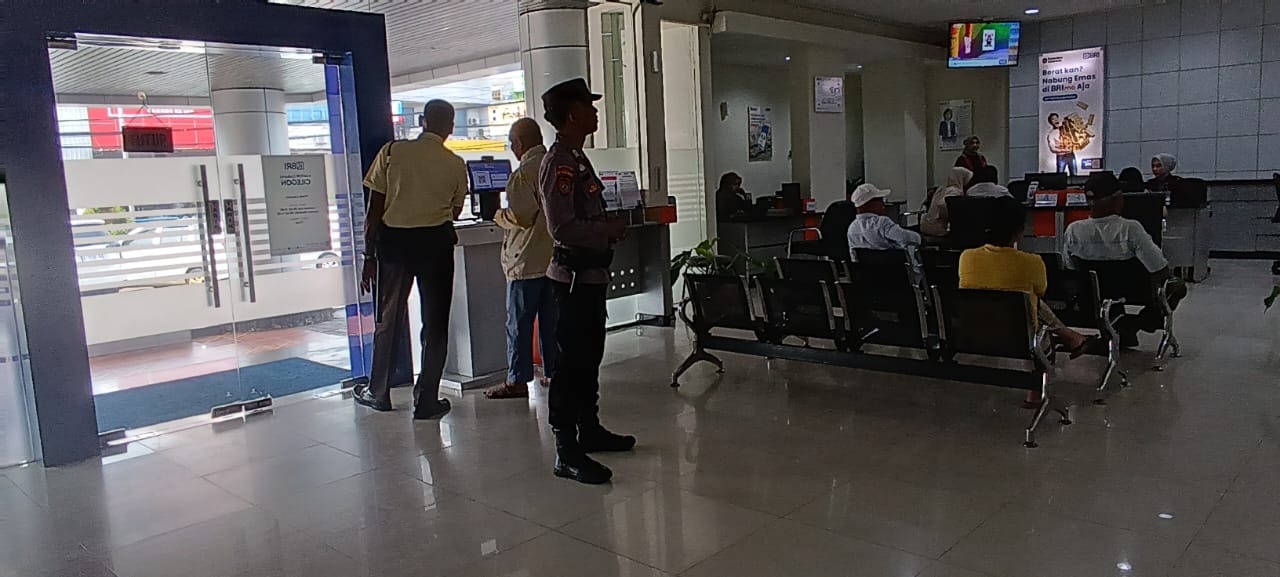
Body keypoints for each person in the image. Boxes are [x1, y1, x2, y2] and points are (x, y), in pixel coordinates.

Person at [539, 78, 634, 485]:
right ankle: (566, 449)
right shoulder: (559, 162)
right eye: (589, 107)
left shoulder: (577, 157)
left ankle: (589, 429)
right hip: (572, 280)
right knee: (570, 365)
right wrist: (606, 230)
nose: (595, 113)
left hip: (590, 276)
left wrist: (607, 229)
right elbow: (561, 227)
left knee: (590, 357)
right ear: (573, 113)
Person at [355, 100, 466, 419]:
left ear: (421, 121)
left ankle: (379, 392)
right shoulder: (455, 163)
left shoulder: (392, 152)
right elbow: (455, 210)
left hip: (395, 246)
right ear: (450, 127)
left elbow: (374, 211)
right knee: (435, 323)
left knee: (388, 320)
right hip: (436, 246)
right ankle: (426, 399)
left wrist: (369, 255)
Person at [958, 197, 1094, 358]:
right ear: (1020, 232)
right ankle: (1070, 336)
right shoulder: (1032, 262)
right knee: (1031, 299)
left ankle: (1071, 336)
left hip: (975, 339)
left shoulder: (966, 257)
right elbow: (1040, 293)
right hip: (1021, 342)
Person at [1064, 172, 1188, 347]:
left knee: (1108, 287)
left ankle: (1121, 328)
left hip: (1091, 294)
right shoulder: (1130, 229)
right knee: (1177, 286)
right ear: (1118, 198)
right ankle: (1136, 323)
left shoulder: (1073, 230)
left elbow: (1069, 268)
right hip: (1133, 292)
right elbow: (1160, 269)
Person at [485, 118, 557, 400]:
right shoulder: (553, 164)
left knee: (519, 324)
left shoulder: (524, 174)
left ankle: (516, 381)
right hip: (553, 260)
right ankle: (554, 372)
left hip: (525, 262)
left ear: (519, 143)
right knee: (551, 322)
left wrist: (498, 216)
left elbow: (521, 216)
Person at [847, 183, 920, 256]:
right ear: (869, 203)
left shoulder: (852, 229)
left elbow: (854, 255)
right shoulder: (881, 223)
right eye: (880, 200)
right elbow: (905, 237)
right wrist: (920, 238)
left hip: (866, 264)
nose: (883, 204)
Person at [921, 166, 972, 238]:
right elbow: (941, 204)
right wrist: (946, 220)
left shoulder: (942, 188)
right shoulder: (954, 191)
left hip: (927, 224)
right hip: (938, 227)